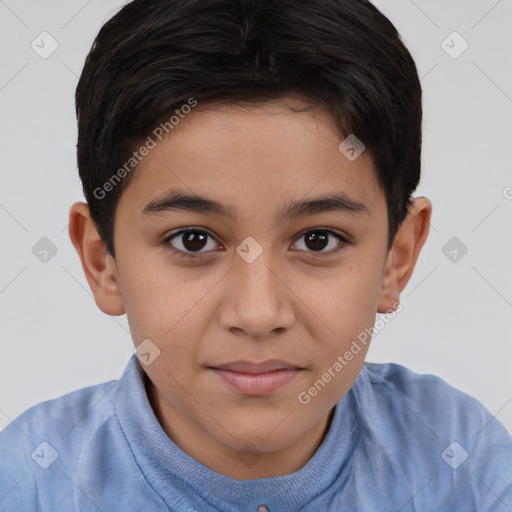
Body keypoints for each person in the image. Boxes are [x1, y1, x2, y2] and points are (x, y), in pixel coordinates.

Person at [1, 0, 511, 511]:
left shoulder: (465, 466)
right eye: (193, 240)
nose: (258, 313)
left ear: (395, 259)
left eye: (318, 240)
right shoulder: (30, 483)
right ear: (101, 262)